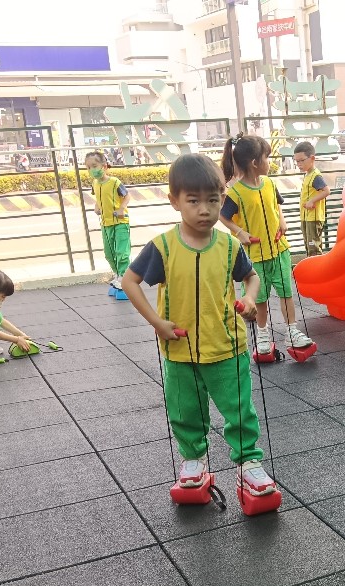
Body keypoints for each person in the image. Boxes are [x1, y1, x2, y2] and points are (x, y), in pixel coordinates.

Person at [119, 153, 276, 496]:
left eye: (213, 200)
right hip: (180, 347)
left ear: (222, 199)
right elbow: (129, 281)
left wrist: (250, 299)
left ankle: (249, 463)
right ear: (174, 201)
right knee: (185, 410)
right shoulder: (163, 247)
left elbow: (251, 278)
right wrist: (157, 322)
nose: (204, 210)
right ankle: (193, 460)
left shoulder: (229, 245)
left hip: (227, 346)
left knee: (239, 409)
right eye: (193, 201)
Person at [219, 134, 313, 356]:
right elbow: (223, 216)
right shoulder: (236, 192)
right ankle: (262, 334)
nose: (269, 162)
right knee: (260, 299)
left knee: (286, 293)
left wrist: (282, 221)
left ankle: (292, 331)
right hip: (255, 256)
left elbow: (276, 204)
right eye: (267, 158)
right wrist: (240, 233)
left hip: (279, 251)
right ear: (255, 162)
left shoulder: (270, 183)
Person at [85, 150, 131, 294]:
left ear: (104, 166)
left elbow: (127, 196)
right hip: (105, 224)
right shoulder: (95, 184)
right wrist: (96, 206)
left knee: (121, 252)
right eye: (88, 167)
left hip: (120, 222)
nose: (91, 170)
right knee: (109, 253)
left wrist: (121, 209)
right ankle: (117, 274)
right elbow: (99, 198)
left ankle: (124, 278)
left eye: (94, 166)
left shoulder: (114, 182)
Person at [293, 140, 330, 257]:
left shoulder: (315, 176)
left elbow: (326, 191)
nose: (299, 164)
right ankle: (311, 266)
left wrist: (312, 201)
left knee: (314, 248)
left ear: (312, 158)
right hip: (306, 217)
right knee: (309, 246)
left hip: (313, 218)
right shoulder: (308, 174)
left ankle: (317, 267)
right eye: (297, 161)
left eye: (302, 160)